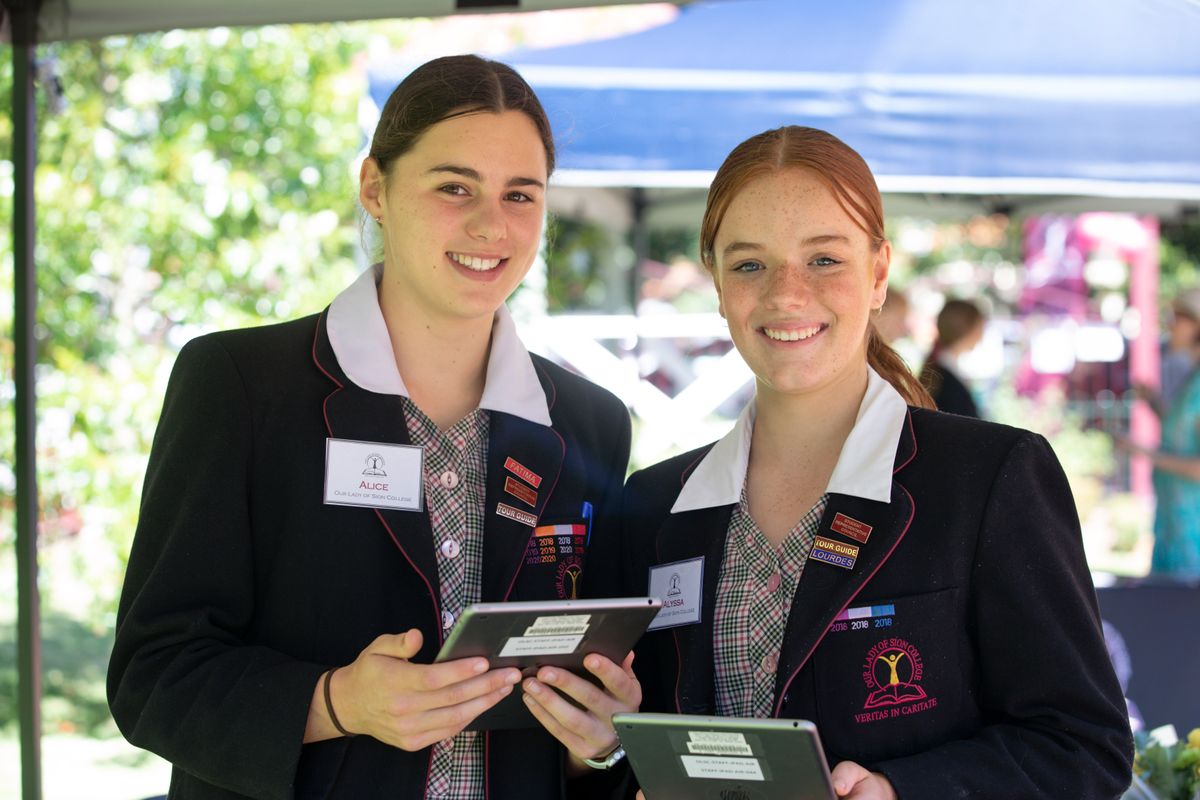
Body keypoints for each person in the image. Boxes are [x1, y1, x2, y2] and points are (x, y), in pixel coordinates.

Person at [108, 55, 638, 799]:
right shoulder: (241, 386)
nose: (492, 224)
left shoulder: (590, 424)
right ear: (375, 189)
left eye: (520, 194)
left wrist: (601, 743)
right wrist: (334, 704)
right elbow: (153, 675)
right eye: (454, 187)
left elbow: (589, 720)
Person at [611, 126, 1132, 799]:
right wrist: (604, 753)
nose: (786, 294)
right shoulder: (654, 506)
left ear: (879, 273)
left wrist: (901, 790)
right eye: (749, 265)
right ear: (716, 282)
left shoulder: (989, 477)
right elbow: (633, 751)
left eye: (824, 259)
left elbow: (1083, 746)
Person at [918, 298, 985, 417]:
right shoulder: (948, 380)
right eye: (980, 328)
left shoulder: (939, 370)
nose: (981, 335)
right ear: (967, 329)